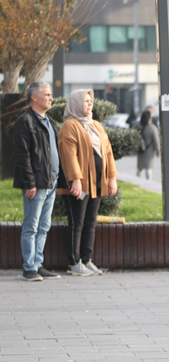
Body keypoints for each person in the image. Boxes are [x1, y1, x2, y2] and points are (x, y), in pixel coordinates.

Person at [58, 89, 118, 277]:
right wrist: (75, 180)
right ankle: (74, 262)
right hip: (80, 184)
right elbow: (69, 155)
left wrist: (112, 178)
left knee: (90, 222)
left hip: (97, 182)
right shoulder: (70, 125)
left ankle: (86, 259)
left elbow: (108, 151)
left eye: (91, 100)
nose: (89, 103)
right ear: (76, 103)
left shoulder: (96, 125)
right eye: (85, 100)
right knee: (77, 222)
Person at [13, 81, 66, 281]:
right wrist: (29, 183)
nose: (51, 98)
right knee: (31, 226)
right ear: (34, 97)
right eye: (47, 95)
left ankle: (38, 263)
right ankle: (29, 268)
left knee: (44, 225)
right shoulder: (24, 121)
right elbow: (22, 156)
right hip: (36, 184)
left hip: (51, 181)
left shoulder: (49, 121)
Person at [136, 110, 160, 180]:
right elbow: (156, 140)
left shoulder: (137, 126)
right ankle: (148, 182)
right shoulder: (152, 128)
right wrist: (158, 151)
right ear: (150, 118)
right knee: (148, 168)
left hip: (140, 149)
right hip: (149, 150)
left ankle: (138, 181)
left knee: (139, 168)